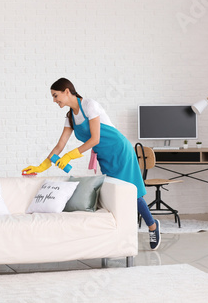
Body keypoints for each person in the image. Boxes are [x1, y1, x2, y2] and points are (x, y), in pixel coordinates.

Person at [22, 77, 161, 250]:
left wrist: (70, 156)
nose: (54, 100)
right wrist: (41, 166)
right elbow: (60, 146)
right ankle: (121, 232)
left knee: (131, 191)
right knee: (113, 192)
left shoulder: (89, 105)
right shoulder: (70, 118)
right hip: (104, 155)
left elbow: (95, 138)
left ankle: (152, 226)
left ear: (67, 91)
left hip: (119, 149)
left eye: (55, 95)